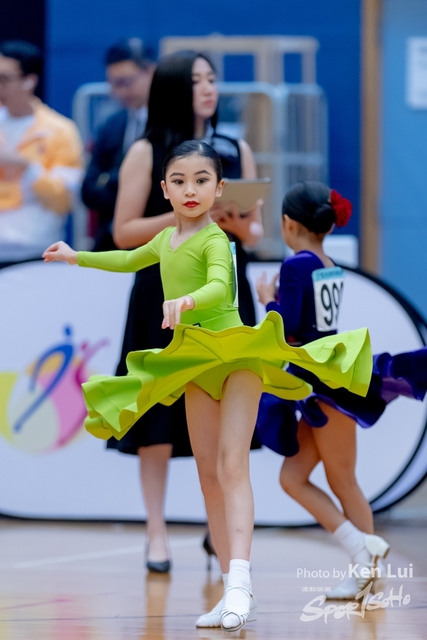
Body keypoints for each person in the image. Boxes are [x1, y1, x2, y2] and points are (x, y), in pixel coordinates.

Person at [43, 141, 372, 632]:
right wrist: (77, 257)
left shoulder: (216, 239)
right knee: (208, 476)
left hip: (235, 356)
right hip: (196, 362)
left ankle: (240, 584)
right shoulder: (164, 240)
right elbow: (127, 260)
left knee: (232, 466)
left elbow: (220, 285)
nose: (190, 189)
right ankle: (229, 588)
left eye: (201, 180)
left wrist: (188, 302)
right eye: (179, 181)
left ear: (219, 189)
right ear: (165, 190)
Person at [107, 50, 263, 575]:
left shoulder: (235, 149)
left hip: (223, 296)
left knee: (224, 419)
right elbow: (123, 232)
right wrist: (188, 215)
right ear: (174, 88)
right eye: (197, 80)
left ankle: (220, 535)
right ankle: (156, 531)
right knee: (156, 414)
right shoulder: (146, 152)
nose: (209, 88)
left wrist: (231, 221)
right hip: (162, 293)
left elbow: (255, 232)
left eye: (212, 78)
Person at [256, 181, 427, 599]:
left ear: (288, 223)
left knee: (343, 481)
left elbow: (288, 329)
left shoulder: (296, 266)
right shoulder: (327, 262)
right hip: (322, 380)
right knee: (293, 477)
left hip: (324, 387)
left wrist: (268, 300)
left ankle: (369, 573)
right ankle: (364, 560)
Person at [0, 40, 83, 268]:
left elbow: (65, 197)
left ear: (29, 80)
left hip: (35, 251)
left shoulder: (59, 131)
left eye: (4, 79)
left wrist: (25, 166)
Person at [81, 38, 155, 251]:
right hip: (110, 240)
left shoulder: (175, 125)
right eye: (113, 84)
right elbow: (88, 191)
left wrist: (112, 180)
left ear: (151, 73)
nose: (119, 92)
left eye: (125, 82)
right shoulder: (112, 125)